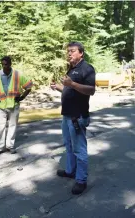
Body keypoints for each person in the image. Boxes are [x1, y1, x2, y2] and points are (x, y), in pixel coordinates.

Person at [50, 42, 96, 195]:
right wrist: (59, 87)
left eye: (72, 51)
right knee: (68, 145)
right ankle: (71, 171)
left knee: (79, 149)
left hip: (77, 116)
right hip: (67, 115)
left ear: (81, 53)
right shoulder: (72, 69)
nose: (69, 54)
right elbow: (70, 89)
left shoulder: (87, 69)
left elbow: (91, 90)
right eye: (68, 51)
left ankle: (81, 180)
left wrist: (72, 84)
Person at [0, 56, 33, 157]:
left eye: (6, 64)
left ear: (10, 63)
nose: (4, 66)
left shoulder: (18, 74)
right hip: (1, 105)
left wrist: (22, 97)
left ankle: (10, 146)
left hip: (14, 105)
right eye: (3, 64)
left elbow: (29, 86)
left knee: (12, 126)